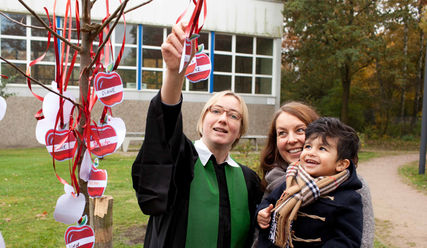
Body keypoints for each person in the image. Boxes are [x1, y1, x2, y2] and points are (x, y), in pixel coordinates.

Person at [131, 22, 262, 248]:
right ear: (202, 121)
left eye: (234, 116)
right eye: (216, 111)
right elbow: (166, 126)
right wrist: (175, 74)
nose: (223, 119)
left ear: (240, 130)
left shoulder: (248, 180)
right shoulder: (181, 160)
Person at [258, 102, 374, 248]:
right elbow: (264, 215)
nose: (291, 139)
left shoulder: (351, 190)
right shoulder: (281, 181)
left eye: (300, 130)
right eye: (282, 133)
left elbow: (353, 241)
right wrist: (261, 214)